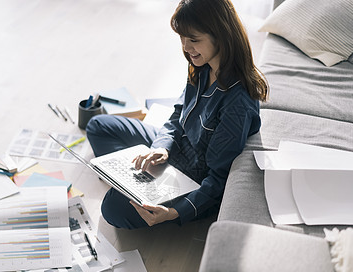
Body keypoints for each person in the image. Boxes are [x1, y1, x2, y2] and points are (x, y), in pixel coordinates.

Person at [86, 0, 268, 229]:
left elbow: (218, 179)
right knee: (98, 126)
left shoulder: (237, 103)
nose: (186, 47)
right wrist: (161, 147)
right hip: (175, 148)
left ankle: (138, 184)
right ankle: (133, 179)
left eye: (193, 40)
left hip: (193, 176)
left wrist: (173, 213)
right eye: (182, 37)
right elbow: (178, 114)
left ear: (220, 35)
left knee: (112, 207)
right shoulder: (203, 65)